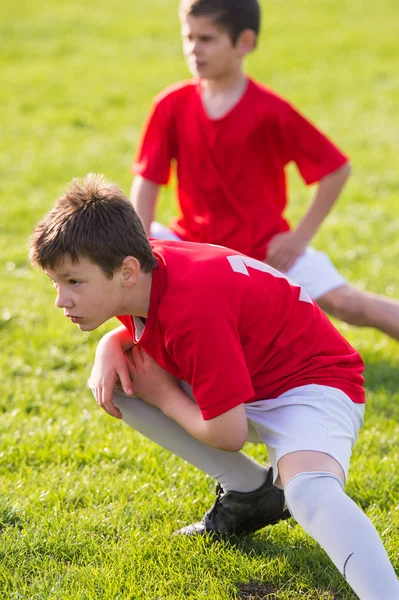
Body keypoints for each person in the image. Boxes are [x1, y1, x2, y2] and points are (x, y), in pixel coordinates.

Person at [30, 174, 399, 600]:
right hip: (253, 378)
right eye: (56, 283)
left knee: (309, 492)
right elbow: (163, 320)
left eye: (74, 282)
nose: (61, 300)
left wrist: (165, 396)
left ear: (127, 270)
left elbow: (228, 433)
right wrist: (109, 344)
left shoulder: (193, 308)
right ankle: (250, 493)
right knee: (118, 380)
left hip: (313, 385)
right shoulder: (143, 273)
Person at [131, 0, 399, 341]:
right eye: (189, 37)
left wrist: (299, 238)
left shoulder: (271, 111)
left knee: (349, 304)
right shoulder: (170, 105)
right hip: (193, 248)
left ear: (244, 43)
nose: (193, 49)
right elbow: (147, 181)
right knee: (121, 271)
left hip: (266, 253)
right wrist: (139, 248)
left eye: (207, 39)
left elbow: (336, 170)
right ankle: (151, 369)